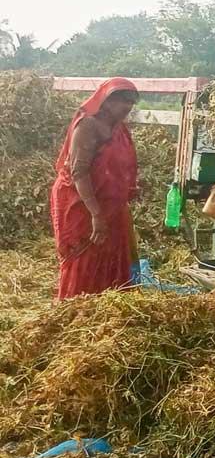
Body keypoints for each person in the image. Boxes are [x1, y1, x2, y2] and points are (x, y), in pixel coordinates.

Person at [50, 78, 140, 300]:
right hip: (81, 202)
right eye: (122, 101)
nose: (127, 106)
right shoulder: (88, 125)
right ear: (107, 101)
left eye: (131, 102)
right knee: (86, 254)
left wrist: (128, 187)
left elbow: (120, 165)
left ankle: (109, 306)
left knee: (113, 253)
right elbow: (79, 172)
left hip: (111, 205)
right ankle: (77, 307)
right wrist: (96, 214)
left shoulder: (120, 129)